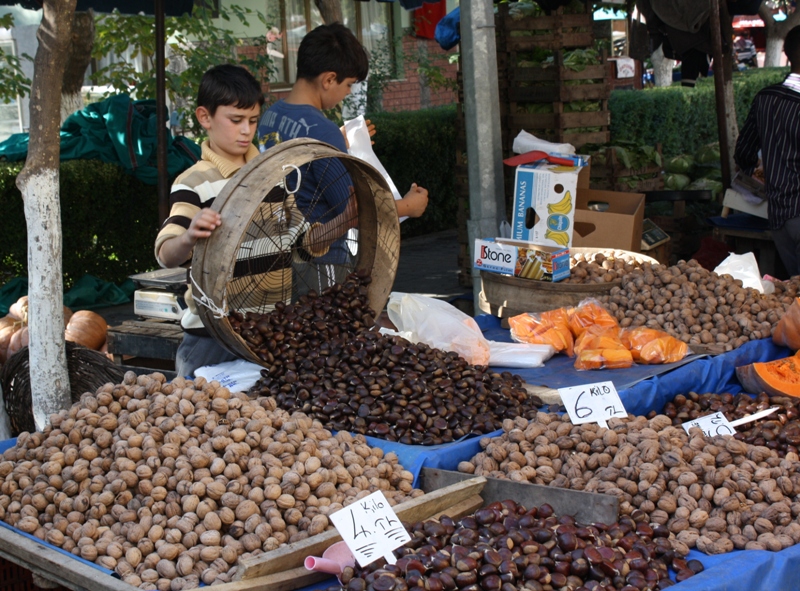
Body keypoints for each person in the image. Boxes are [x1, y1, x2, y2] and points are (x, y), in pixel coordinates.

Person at [155, 64, 355, 377]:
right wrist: (189, 236)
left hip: (266, 334)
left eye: (252, 120)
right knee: (202, 421)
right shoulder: (193, 183)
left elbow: (300, 245)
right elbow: (167, 254)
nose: (247, 130)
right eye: (235, 121)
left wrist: (344, 221)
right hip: (211, 340)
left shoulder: (274, 177)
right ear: (205, 117)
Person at [257, 24, 429, 291]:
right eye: (348, 84)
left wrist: (337, 145)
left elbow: (295, 165)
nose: (348, 92)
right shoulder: (323, 131)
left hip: (276, 257)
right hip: (321, 259)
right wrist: (408, 206)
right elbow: (353, 211)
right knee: (325, 327)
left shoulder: (271, 115)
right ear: (328, 79)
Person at [734, 25, 800, 278]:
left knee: (795, 291)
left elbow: (744, 154)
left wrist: (761, 175)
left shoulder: (765, 98)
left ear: (786, 54)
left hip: (779, 215)